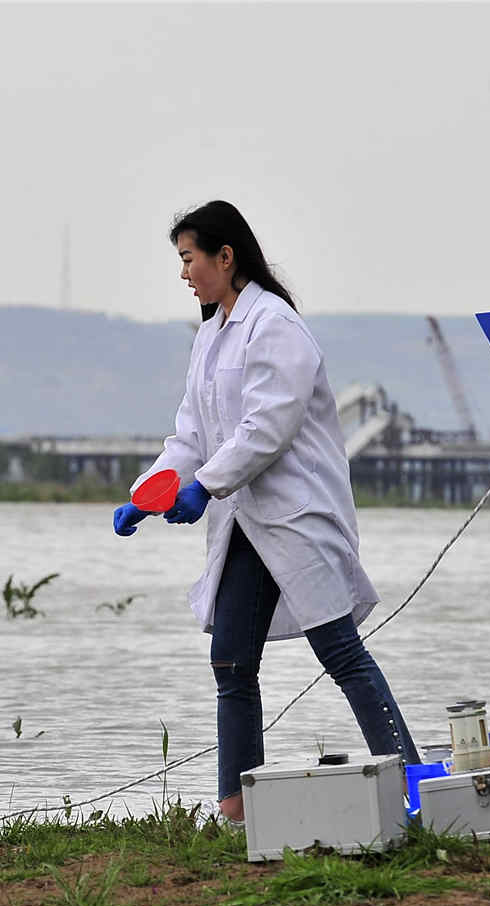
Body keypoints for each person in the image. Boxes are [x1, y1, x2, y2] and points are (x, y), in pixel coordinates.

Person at [113, 200, 419, 822]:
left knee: (340, 651)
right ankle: (237, 807)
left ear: (226, 256)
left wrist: (205, 486)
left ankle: (413, 786)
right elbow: (189, 433)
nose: (184, 274)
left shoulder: (274, 325)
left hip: (294, 515)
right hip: (244, 520)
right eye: (180, 260)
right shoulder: (212, 332)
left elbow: (266, 428)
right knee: (230, 660)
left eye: (189, 258)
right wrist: (150, 491)